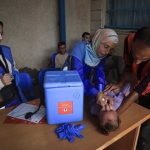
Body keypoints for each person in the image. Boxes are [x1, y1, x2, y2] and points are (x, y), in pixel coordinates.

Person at [104, 27, 150, 149]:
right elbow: (129, 66)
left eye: (144, 59)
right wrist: (120, 84)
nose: (138, 62)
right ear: (133, 41)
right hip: (139, 85)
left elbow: (139, 89)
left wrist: (116, 115)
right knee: (138, 114)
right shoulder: (128, 41)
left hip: (146, 88)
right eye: (135, 55)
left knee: (146, 126)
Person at [70, 28, 119, 113]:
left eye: (110, 49)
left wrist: (101, 92)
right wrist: (96, 93)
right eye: (106, 46)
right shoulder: (79, 49)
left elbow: (100, 74)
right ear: (97, 40)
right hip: (70, 84)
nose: (107, 52)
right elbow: (77, 77)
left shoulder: (100, 55)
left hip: (85, 86)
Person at [0, 21, 34, 108]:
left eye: (1, 33)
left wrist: (13, 75)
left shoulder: (6, 50)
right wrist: (1, 82)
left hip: (16, 96)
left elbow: (14, 68)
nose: (0, 37)